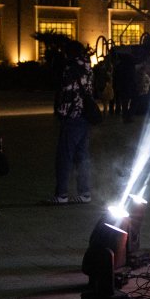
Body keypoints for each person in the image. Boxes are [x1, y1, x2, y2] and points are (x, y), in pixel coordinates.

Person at [53, 53, 96, 204]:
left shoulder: (70, 70)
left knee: (65, 157)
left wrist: (61, 114)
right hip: (85, 117)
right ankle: (84, 192)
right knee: (82, 157)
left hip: (72, 118)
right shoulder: (88, 70)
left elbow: (66, 94)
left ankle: (61, 194)